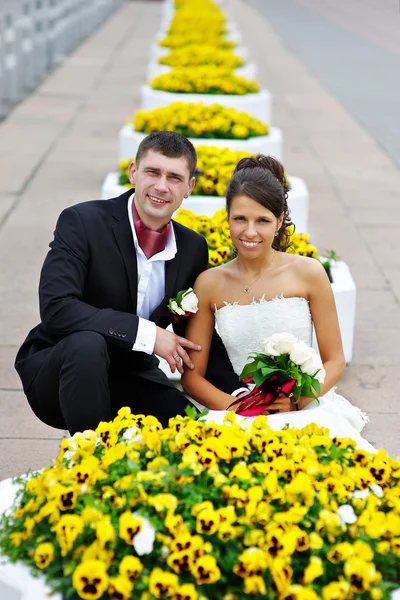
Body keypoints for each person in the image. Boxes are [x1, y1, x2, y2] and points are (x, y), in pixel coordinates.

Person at [14, 131, 242, 435]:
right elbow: (57, 309)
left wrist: (241, 394)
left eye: (174, 177)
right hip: (62, 371)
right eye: (152, 172)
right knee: (88, 343)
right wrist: (147, 333)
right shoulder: (82, 222)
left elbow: (195, 337)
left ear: (189, 187)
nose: (161, 186)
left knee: (191, 431)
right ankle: (88, 461)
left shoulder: (192, 248)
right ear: (133, 173)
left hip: (131, 373)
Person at [181, 155, 374, 452]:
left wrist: (298, 399)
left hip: (304, 406)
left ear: (280, 220)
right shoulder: (209, 284)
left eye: (262, 220)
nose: (249, 232)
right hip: (239, 411)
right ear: (227, 217)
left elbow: (334, 361)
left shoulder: (308, 273)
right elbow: (192, 378)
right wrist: (237, 407)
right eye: (240, 219)